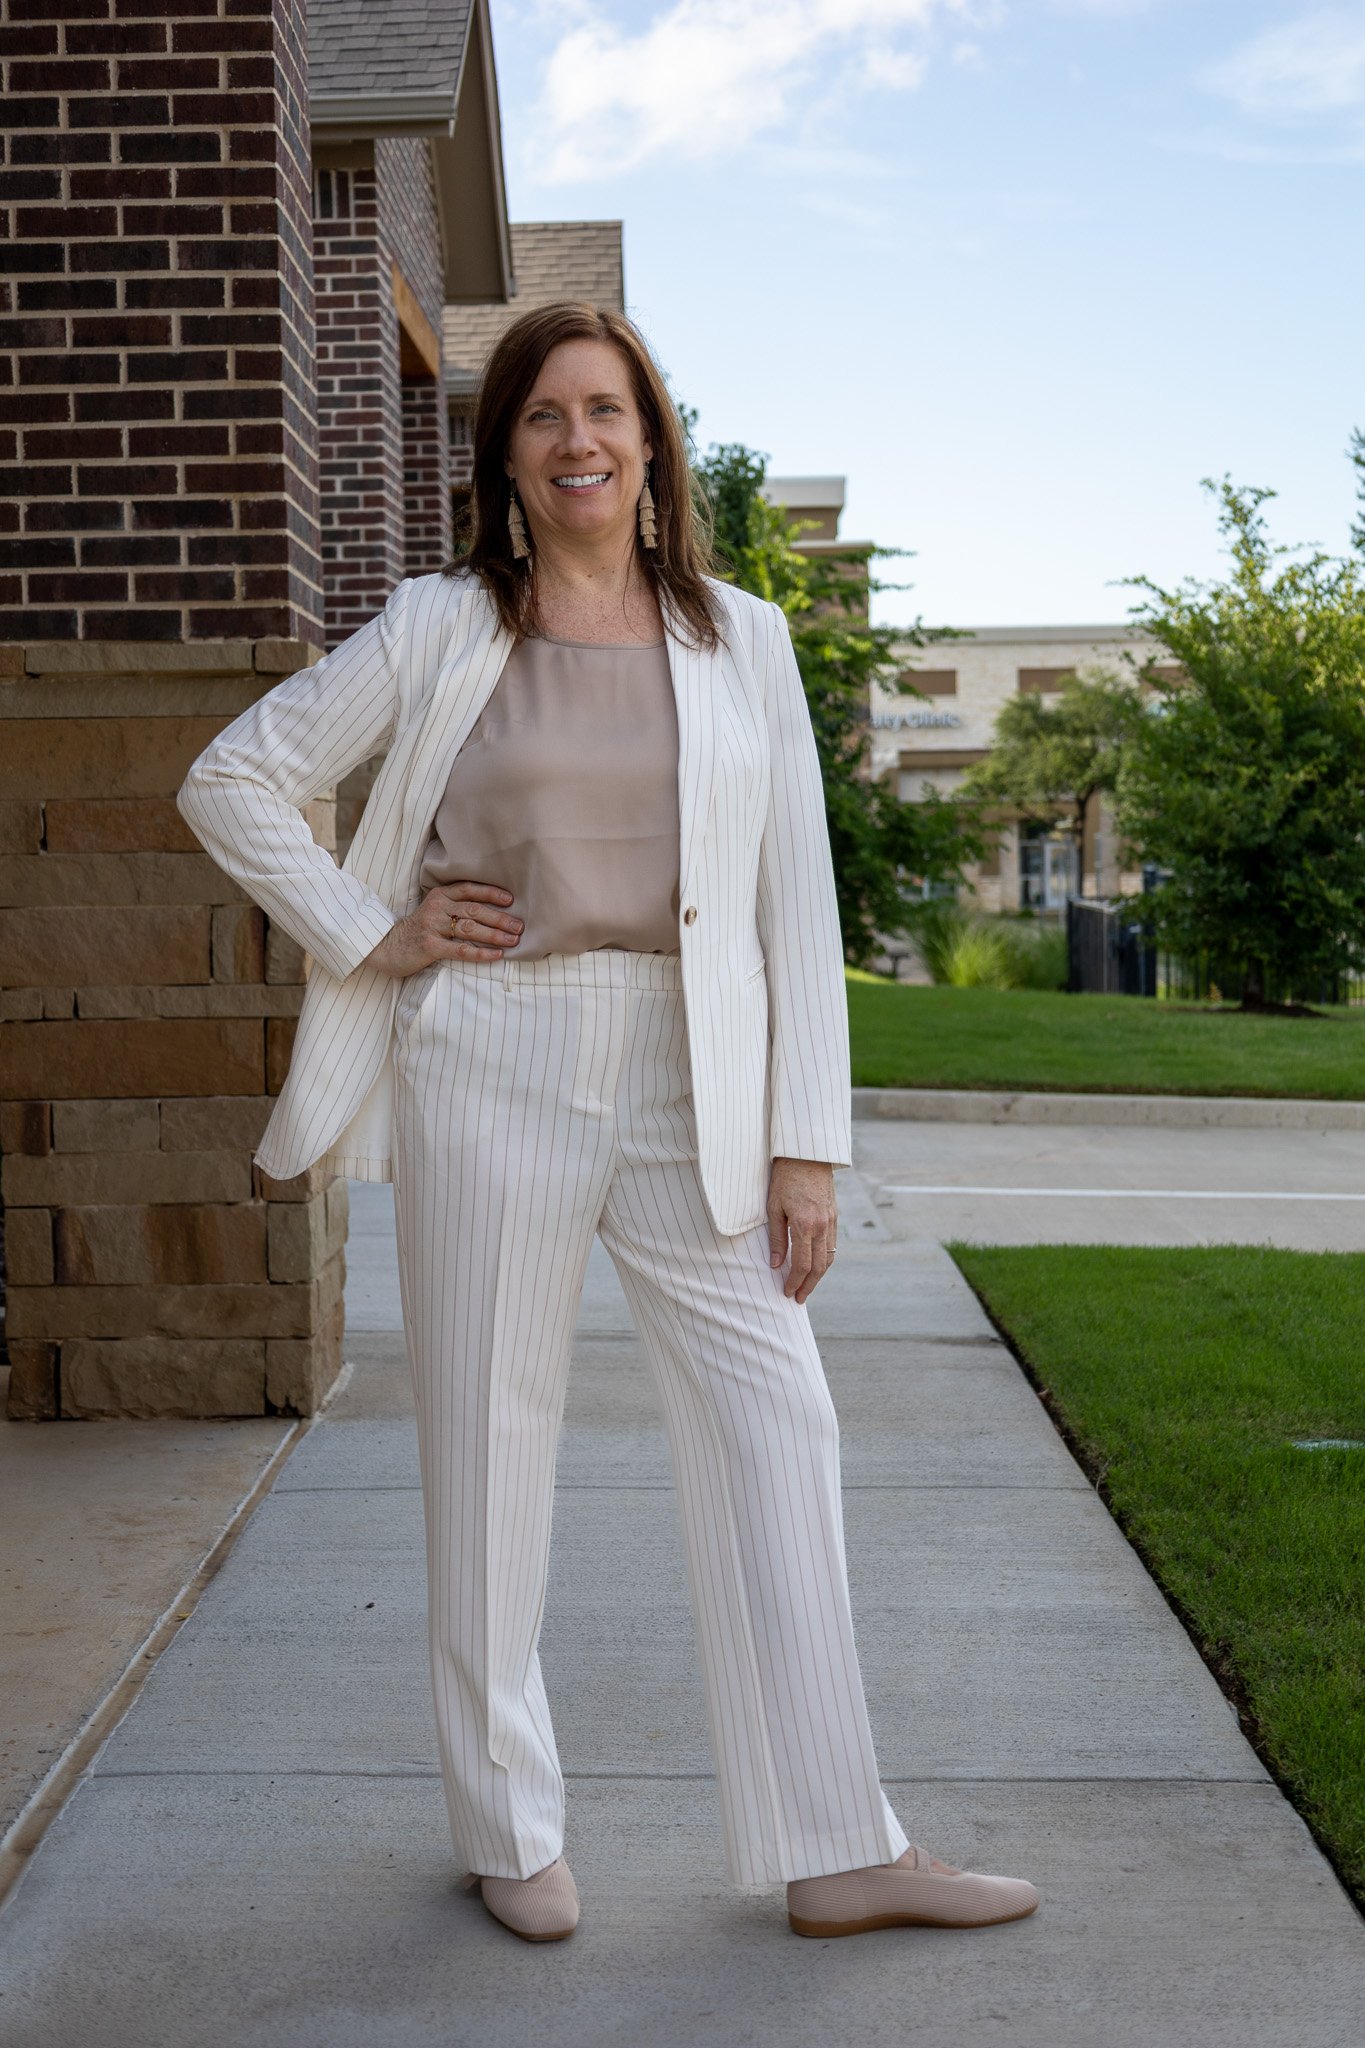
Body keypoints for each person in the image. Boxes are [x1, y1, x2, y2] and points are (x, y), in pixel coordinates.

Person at [178, 301, 1040, 1945]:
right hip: (489, 1051)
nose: (579, 440)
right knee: (490, 1447)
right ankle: (508, 1829)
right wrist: (380, 933)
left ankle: (837, 1842)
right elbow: (236, 775)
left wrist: (807, 1142)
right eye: (543, 417)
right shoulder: (440, 627)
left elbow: (795, 901)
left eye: (607, 410)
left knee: (780, 1423)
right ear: (504, 457)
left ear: (652, 443)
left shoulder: (747, 643)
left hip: (689, 1073)